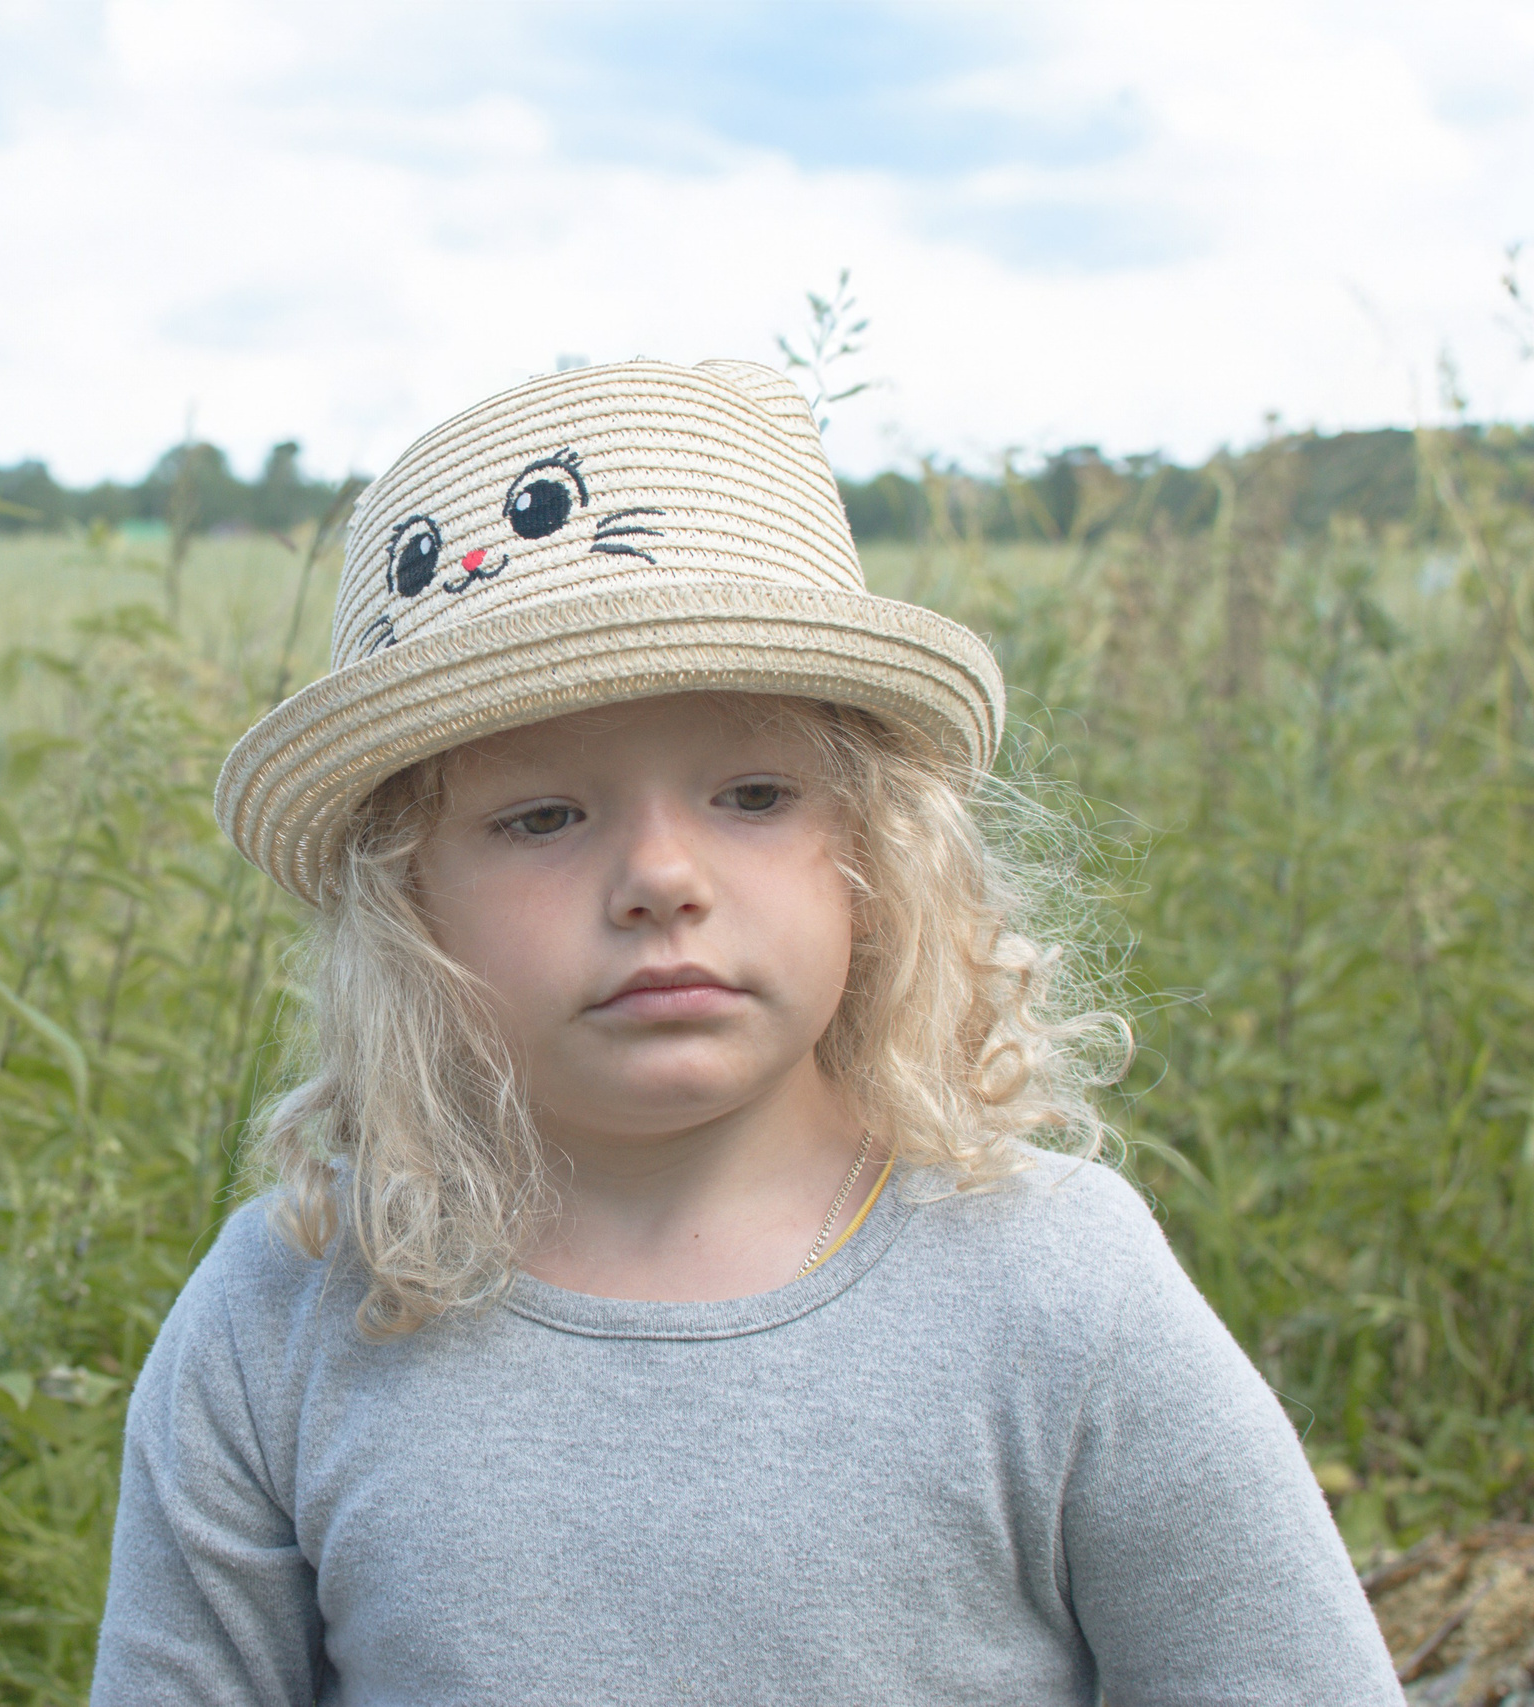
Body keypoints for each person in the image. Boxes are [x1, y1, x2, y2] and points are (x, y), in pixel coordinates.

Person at [90, 359, 1402, 1705]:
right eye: (541, 816)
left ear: (876, 855)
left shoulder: (1059, 1293)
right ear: (407, 904)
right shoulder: (285, 1312)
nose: (663, 875)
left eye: (753, 793)